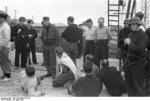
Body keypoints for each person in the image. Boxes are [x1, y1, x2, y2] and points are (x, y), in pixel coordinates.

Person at [124, 17, 148, 96]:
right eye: (131, 25)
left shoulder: (143, 35)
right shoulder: (131, 34)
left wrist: (130, 43)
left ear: (138, 25)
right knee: (129, 86)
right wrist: (126, 44)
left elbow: (141, 50)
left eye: (134, 24)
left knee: (138, 87)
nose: (132, 26)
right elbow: (128, 49)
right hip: (129, 63)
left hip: (137, 64)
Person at [0, 11, 11, 81]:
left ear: (3, 18)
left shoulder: (5, 26)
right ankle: (4, 74)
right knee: (2, 61)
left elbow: (6, 39)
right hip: (1, 46)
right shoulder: (2, 25)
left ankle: (8, 76)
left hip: (3, 47)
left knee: (5, 61)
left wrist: (1, 46)